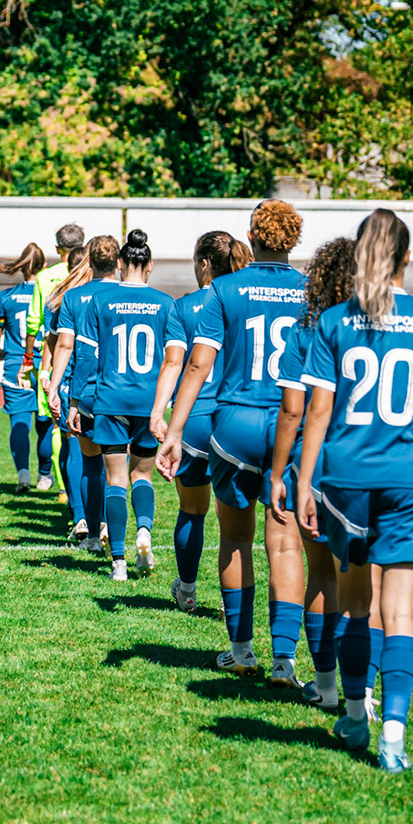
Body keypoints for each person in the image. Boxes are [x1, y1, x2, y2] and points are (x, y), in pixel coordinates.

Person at [296, 208, 413, 772]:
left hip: (345, 478)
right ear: (407, 258)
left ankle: (350, 713)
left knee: (354, 603)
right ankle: (391, 732)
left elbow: (317, 410)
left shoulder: (335, 323)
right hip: (411, 477)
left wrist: (303, 480)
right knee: (400, 611)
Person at [156, 200, 307, 679]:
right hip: (293, 423)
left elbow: (198, 364)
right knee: (285, 545)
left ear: (253, 235)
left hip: (236, 425)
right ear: (293, 240)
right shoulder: (312, 291)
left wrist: (175, 430)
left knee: (236, 539)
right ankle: (285, 659)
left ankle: (242, 652)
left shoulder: (223, 288)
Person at [267, 238, 355, 708]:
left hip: (317, 463)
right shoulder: (384, 330)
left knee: (321, 574)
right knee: (369, 583)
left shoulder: (306, 332)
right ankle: (363, 694)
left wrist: (279, 471)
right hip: (373, 463)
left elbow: (292, 409)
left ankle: (325, 687)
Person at [150, 232, 251, 612]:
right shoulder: (245, 301)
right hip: (237, 419)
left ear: (205, 263)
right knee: (235, 524)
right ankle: (233, 602)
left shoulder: (184, 306)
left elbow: (175, 363)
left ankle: (188, 590)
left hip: (192, 422)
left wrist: (158, 413)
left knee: (192, 510)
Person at [71, 230, 177, 582]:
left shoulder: (100, 301)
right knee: (142, 475)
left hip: (110, 399)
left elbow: (85, 355)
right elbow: (174, 359)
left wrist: (74, 399)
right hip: (149, 402)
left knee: (116, 478)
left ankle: (118, 562)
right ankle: (143, 532)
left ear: (119, 263)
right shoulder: (166, 303)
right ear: (149, 266)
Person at [45, 237, 117, 550]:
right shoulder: (126, 293)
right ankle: (116, 531)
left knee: (81, 454)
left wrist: (51, 382)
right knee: (117, 464)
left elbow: (59, 343)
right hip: (118, 386)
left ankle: (85, 524)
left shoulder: (69, 296)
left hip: (78, 385)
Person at [24, 223, 85, 494]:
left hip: (49, 356)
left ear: (58, 248)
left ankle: (57, 482)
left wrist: (31, 360)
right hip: (84, 360)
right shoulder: (90, 273)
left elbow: (35, 321)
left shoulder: (46, 277)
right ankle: (69, 490)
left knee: (53, 422)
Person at [0, 244, 55, 492]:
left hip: (16, 364)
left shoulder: (6, 296)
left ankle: (23, 474)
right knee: (46, 422)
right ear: (44, 267)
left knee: (19, 420)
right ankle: (45, 476)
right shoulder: (51, 294)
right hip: (45, 364)